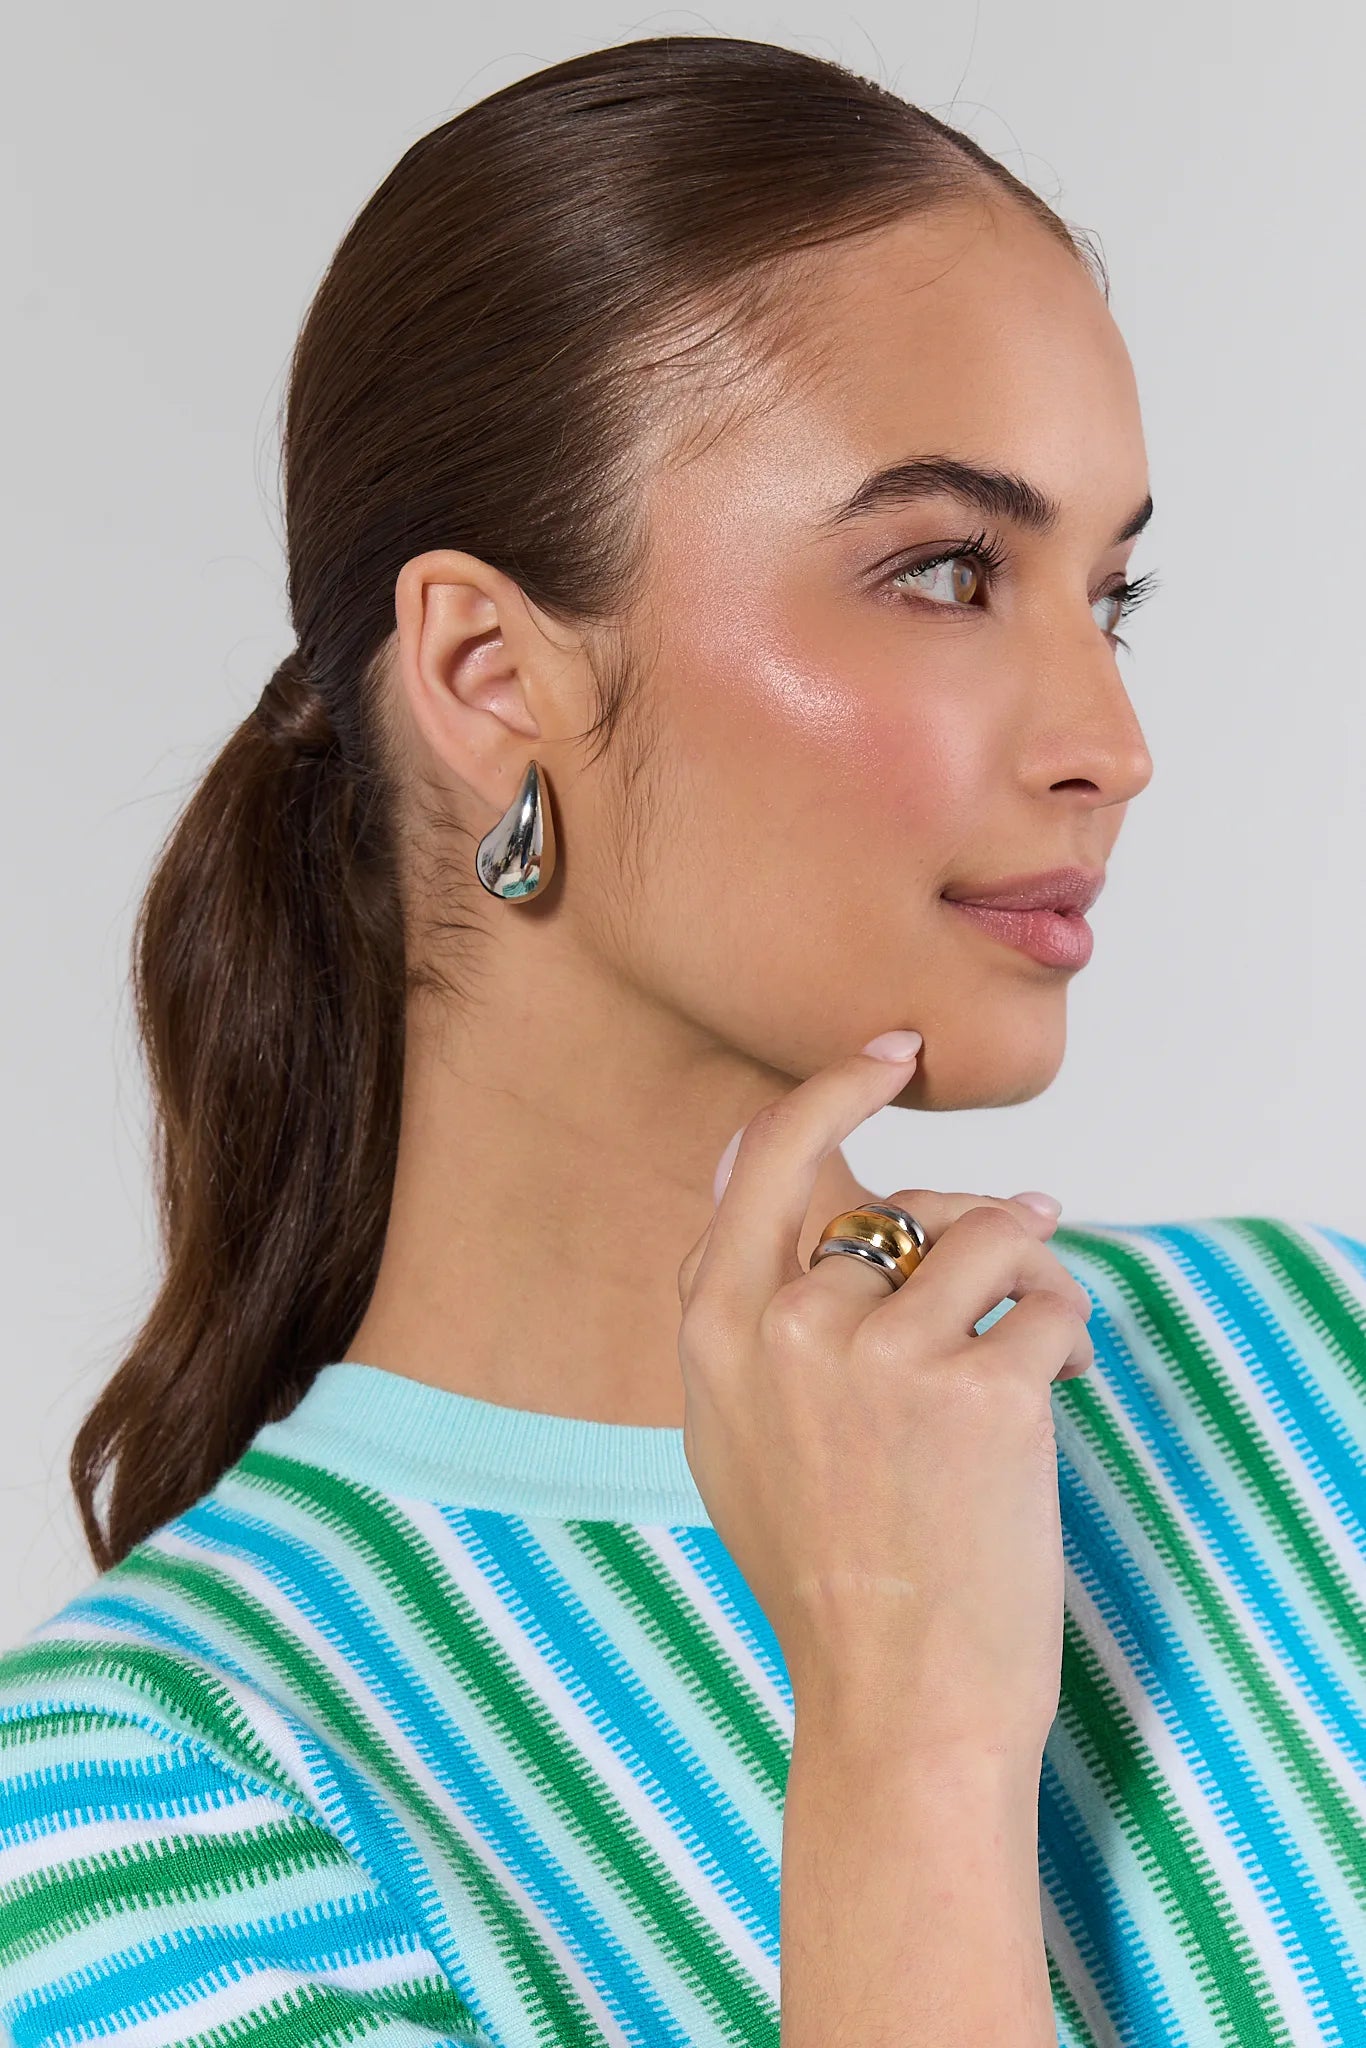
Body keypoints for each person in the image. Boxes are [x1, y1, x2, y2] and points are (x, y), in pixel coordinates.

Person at [1, 32, 1363, 2048]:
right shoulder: (149, 1805)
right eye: (939, 572)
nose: (1108, 743)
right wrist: (903, 1734)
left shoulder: (1306, 1378)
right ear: (486, 673)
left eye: (1108, 588)